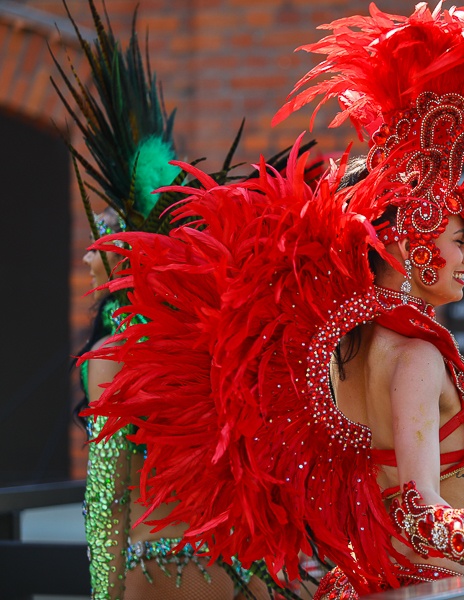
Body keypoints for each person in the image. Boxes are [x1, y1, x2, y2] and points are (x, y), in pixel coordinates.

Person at [83, 3, 464, 598]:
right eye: (461, 239)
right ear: (413, 238)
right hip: (429, 583)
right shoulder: (411, 354)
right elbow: (417, 504)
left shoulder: (365, 344)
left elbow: (462, 491)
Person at [59, 3, 276, 598]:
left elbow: (108, 499)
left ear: (129, 259)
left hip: (162, 578)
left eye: (102, 240)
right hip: (246, 573)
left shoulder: (111, 356)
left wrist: (106, 594)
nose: (86, 258)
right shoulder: (228, 338)